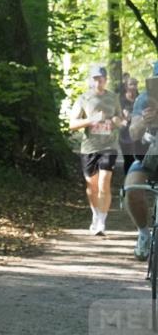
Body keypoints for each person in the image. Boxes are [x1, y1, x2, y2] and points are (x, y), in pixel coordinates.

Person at [69, 65, 123, 235]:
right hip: (89, 147)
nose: (98, 81)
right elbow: (72, 125)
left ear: (106, 79)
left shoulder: (114, 98)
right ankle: (95, 214)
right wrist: (90, 120)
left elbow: (120, 120)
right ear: (90, 80)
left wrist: (116, 121)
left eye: (101, 78)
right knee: (92, 186)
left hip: (109, 146)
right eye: (95, 78)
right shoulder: (83, 99)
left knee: (104, 183)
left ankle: (102, 221)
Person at [124, 64, 158, 259]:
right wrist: (146, 120)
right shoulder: (144, 99)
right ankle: (144, 234)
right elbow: (133, 133)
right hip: (148, 158)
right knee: (131, 189)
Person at [120, 76, 144, 176]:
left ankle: (138, 180)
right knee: (128, 158)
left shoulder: (141, 98)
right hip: (125, 133)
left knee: (139, 157)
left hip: (139, 131)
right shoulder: (121, 100)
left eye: (135, 84)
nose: (133, 87)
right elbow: (115, 115)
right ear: (126, 86)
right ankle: (128, 180)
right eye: (131, 84)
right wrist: (123, 119)